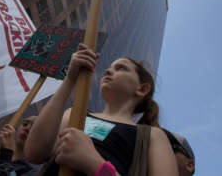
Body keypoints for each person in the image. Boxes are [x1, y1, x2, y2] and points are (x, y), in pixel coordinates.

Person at [25, 44, 178, 176]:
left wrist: (94, 164)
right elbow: (34, 153)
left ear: (142, 88)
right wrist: (70, 79)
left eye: (121, 68)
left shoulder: (153, 136)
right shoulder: (75, 114)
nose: (108, 71)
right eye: (109, 68)